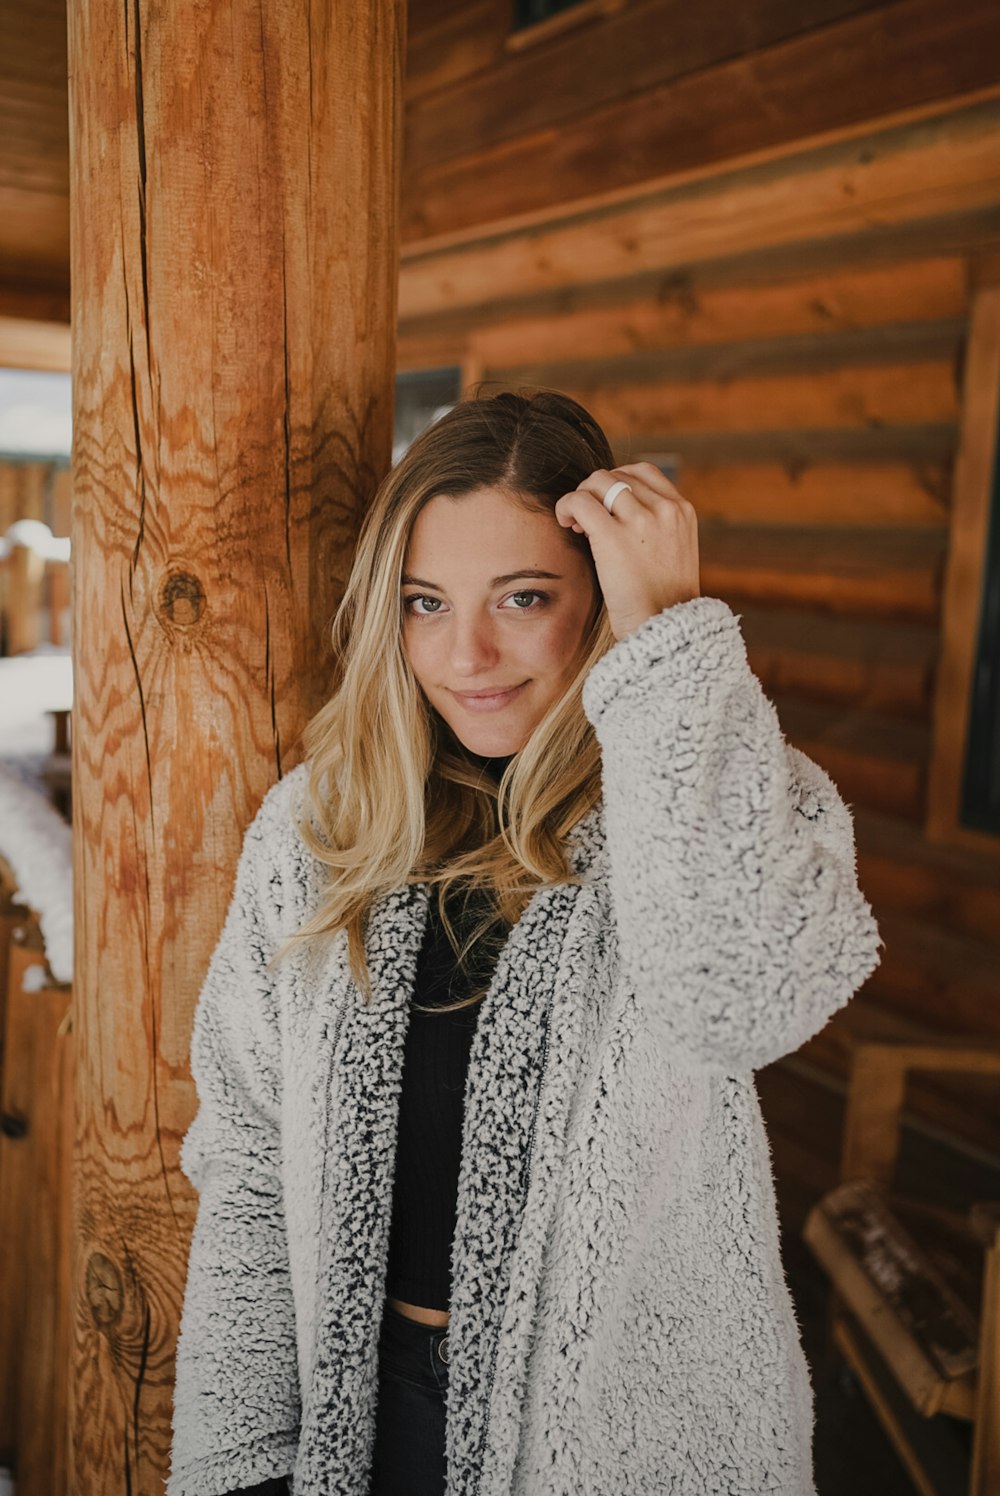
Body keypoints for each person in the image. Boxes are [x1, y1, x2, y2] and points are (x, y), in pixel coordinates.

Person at [166, 387, 883, 1496]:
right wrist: (241, 1457)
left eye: (525, 595)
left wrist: (676, 636)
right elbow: (249, 1157)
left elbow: (743, 995)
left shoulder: (715, 798)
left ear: (600, 602)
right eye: (424, 602)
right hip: (362, 1418)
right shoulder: (322, 827)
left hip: (626, 1438)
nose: (467, 653)